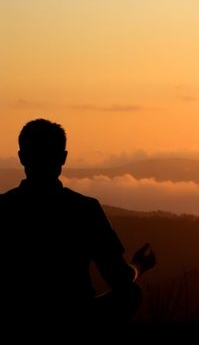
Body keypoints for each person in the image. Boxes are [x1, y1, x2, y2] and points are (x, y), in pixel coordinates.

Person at [0, 119, 156, 324]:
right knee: (131, 293)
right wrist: (139, 265)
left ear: (21, 157)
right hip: (77, 315)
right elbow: (120, 278)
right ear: (63, 158)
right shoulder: (86, 209)